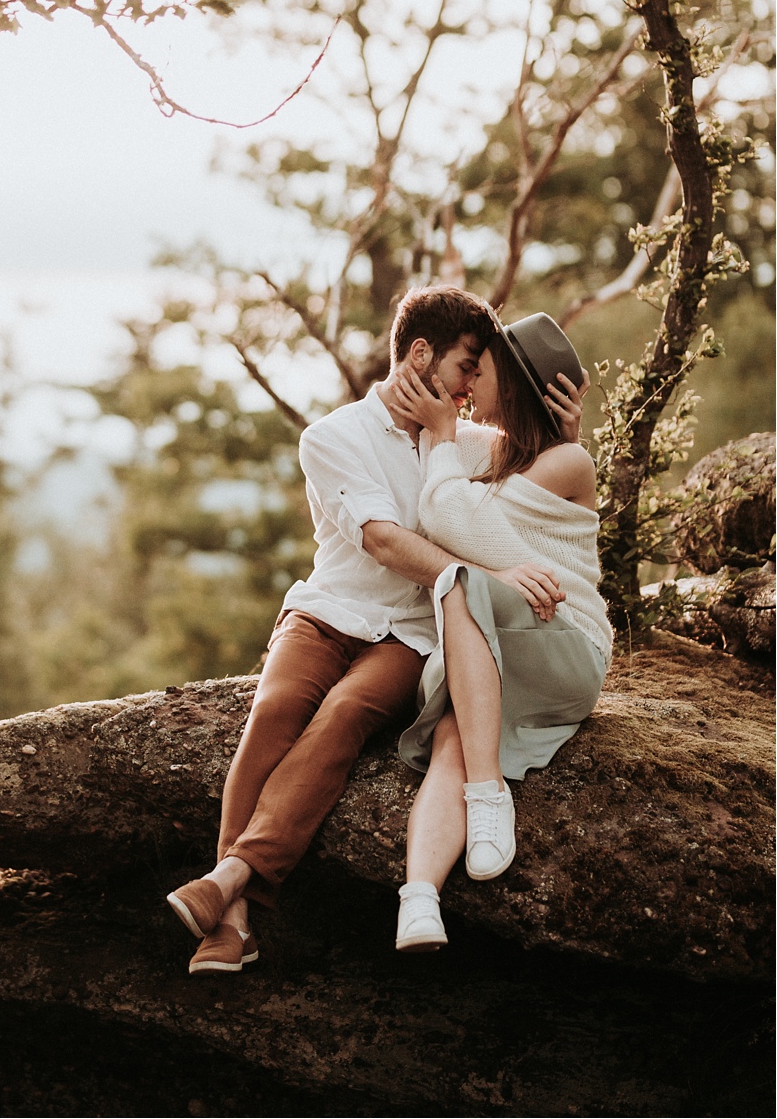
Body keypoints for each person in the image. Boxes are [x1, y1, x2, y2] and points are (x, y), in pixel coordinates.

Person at [165, 287, 585, 975]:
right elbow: (383, 541)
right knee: (272, 712)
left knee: (347, 713)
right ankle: (234, 917)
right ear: (420, 355)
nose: (470, 387)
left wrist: (566, 429)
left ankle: (229, 880)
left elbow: (539, 475)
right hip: (326, 612)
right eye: (464, 367)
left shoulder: (463, 438)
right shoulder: (331, 437)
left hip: (411, 632)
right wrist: (485, 574)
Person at [388, 312, 613, 953]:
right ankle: (420, 899)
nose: (467, 389)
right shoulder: (505, 452)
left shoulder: (568, 460)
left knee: (456, 577)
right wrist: (442, 427)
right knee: (453, 741)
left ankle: (488, 793)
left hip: (565, 645)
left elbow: (456, 519)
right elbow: (453, 471)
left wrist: (439, 437)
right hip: (502, 648)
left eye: (478, 372)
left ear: (512, 380)